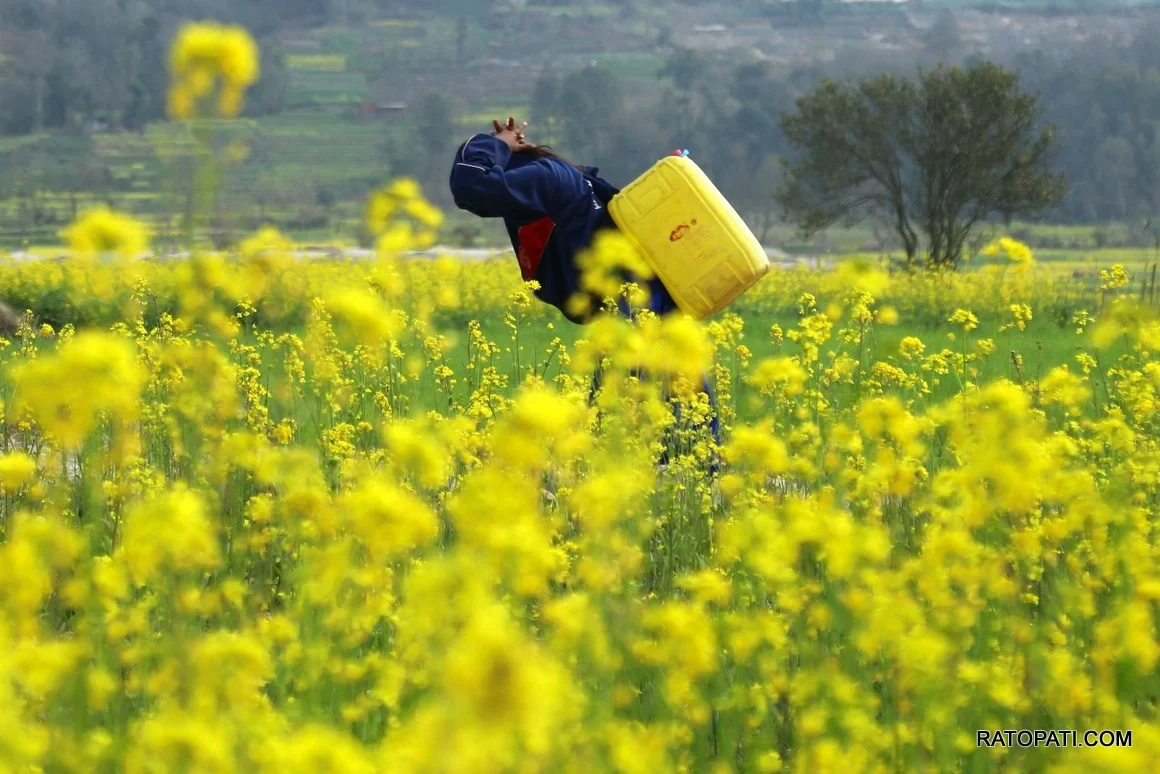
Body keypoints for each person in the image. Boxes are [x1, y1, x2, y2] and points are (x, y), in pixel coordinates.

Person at [449, 117, 721, 466]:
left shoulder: (548, 177)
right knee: (665, 425)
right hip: (646, 306)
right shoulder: (576, 189)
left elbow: (472, 186)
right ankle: (694, 482)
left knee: (623, 427)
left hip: (636, 311)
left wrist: (497, 145)